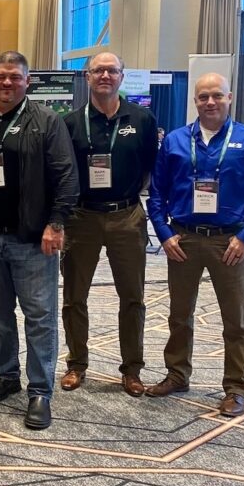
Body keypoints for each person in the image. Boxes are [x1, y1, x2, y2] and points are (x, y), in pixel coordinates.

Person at [0, 51, 78, 430]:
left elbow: (66, 176)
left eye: (14, 77)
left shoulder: (46, 121)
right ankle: (7, 375)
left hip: (31, 239)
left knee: (39, 318)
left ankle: (40, 391)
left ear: (28, 82)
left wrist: (56, 223)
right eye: (0, 76)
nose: (7, 83)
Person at [146, 72, 244, 417]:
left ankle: (235, 388)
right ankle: (177, 374)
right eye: (203, 97)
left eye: (216, 96)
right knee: (179, 315)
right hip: (184, 238)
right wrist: (164, 234)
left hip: (230, 241)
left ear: (229, 98)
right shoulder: (176, 141)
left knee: (235, 320)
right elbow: (156, 194)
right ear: (195, 101)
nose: (210, 102)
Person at [60, 52, 158, 396]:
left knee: (133, 297)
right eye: (98, 70)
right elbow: (63, 174)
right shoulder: (70, 123)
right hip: (81, 217)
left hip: (126, 216)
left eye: (111, 70)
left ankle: (132, 369)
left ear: (121, 76)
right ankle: (77, 363)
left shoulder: (142, 119)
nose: (105, 75)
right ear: (87, 77)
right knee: (74, 296)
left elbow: (150, 168)